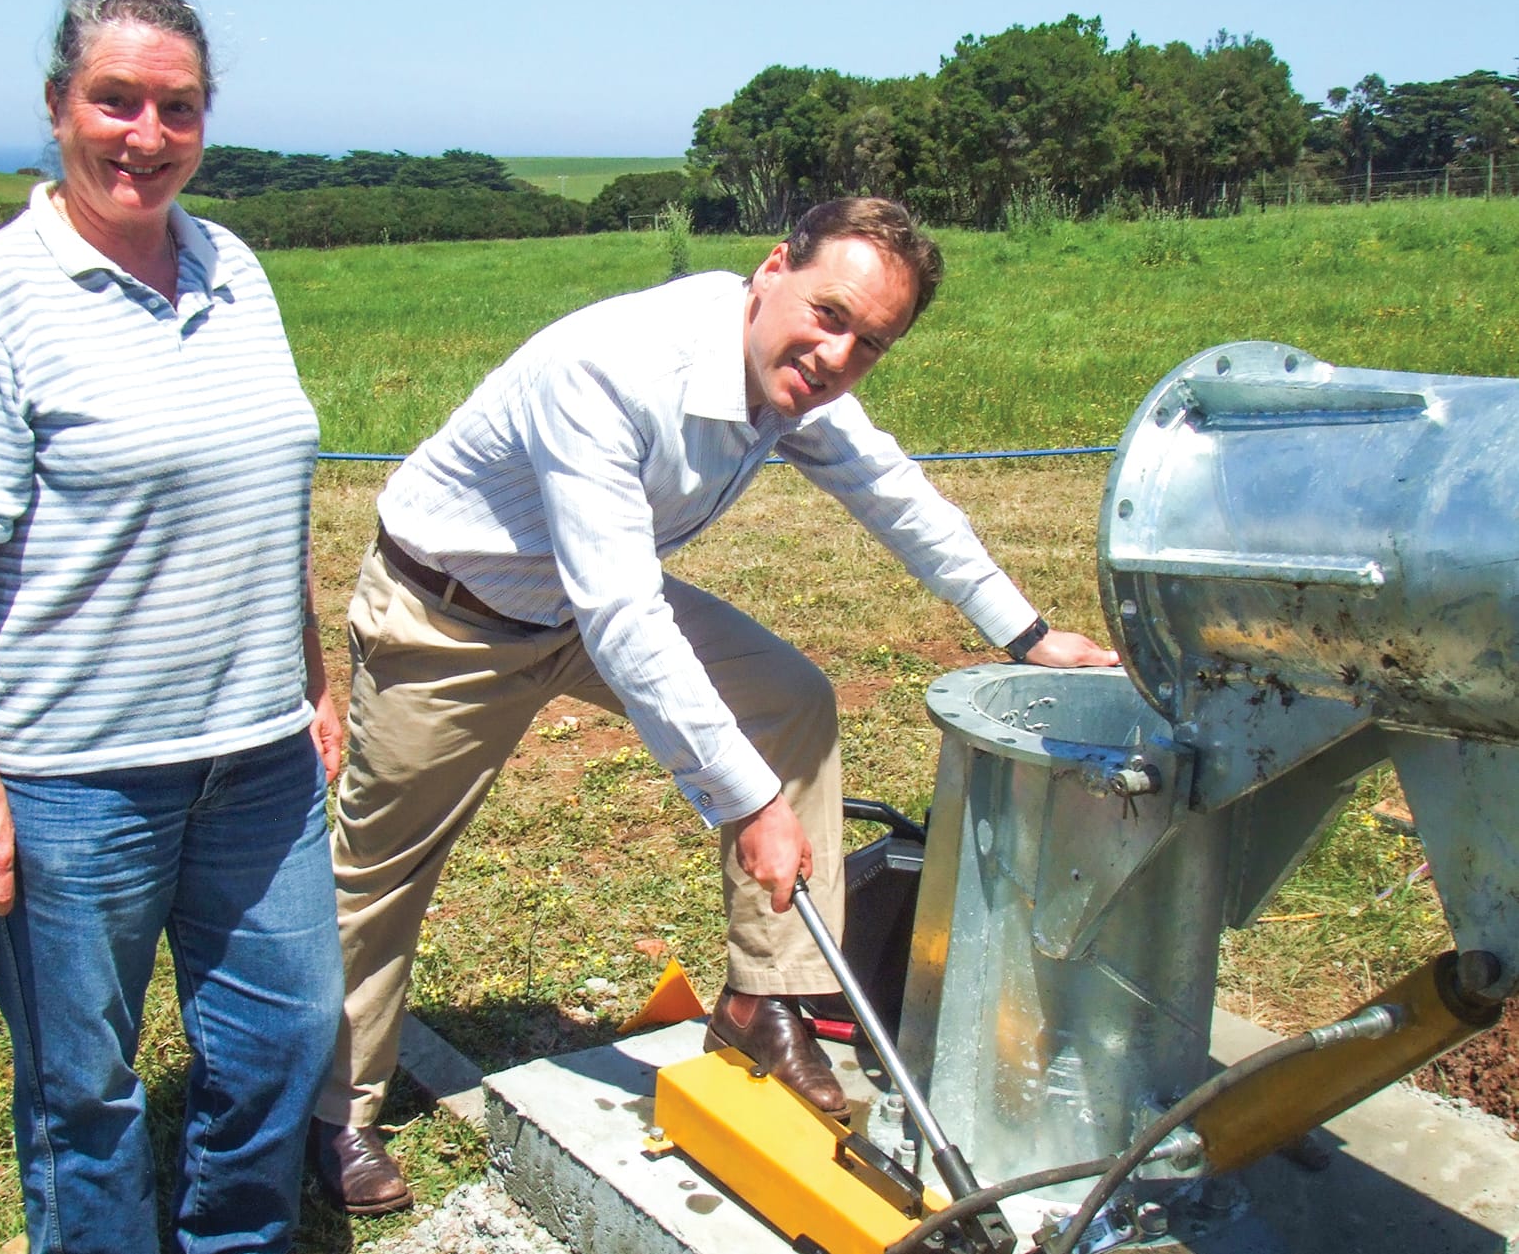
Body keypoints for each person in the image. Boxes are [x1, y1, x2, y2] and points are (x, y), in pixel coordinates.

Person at [308, 196, 1118, 1215]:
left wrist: (1026, 634)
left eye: (870, 344)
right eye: (828, 315)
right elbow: (623, 616)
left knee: (786, 704)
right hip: (451, 617)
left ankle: (761, 1001)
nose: (835, 355)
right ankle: (334, 1110)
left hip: (582, 603)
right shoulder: (611, 367)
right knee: (382, 869)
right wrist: (743, 802)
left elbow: (895, 493)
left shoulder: (795, 387)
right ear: (771, 268)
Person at [0, 0, 343, 1254]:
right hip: (74, 782)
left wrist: (309, 683)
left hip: (256, 762)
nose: (146, 134)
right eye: (116, 100)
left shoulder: (233, 263)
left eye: (177, 107)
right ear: (56, 107)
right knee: (82, 1095)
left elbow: (267, 499)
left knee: (285, 1037)